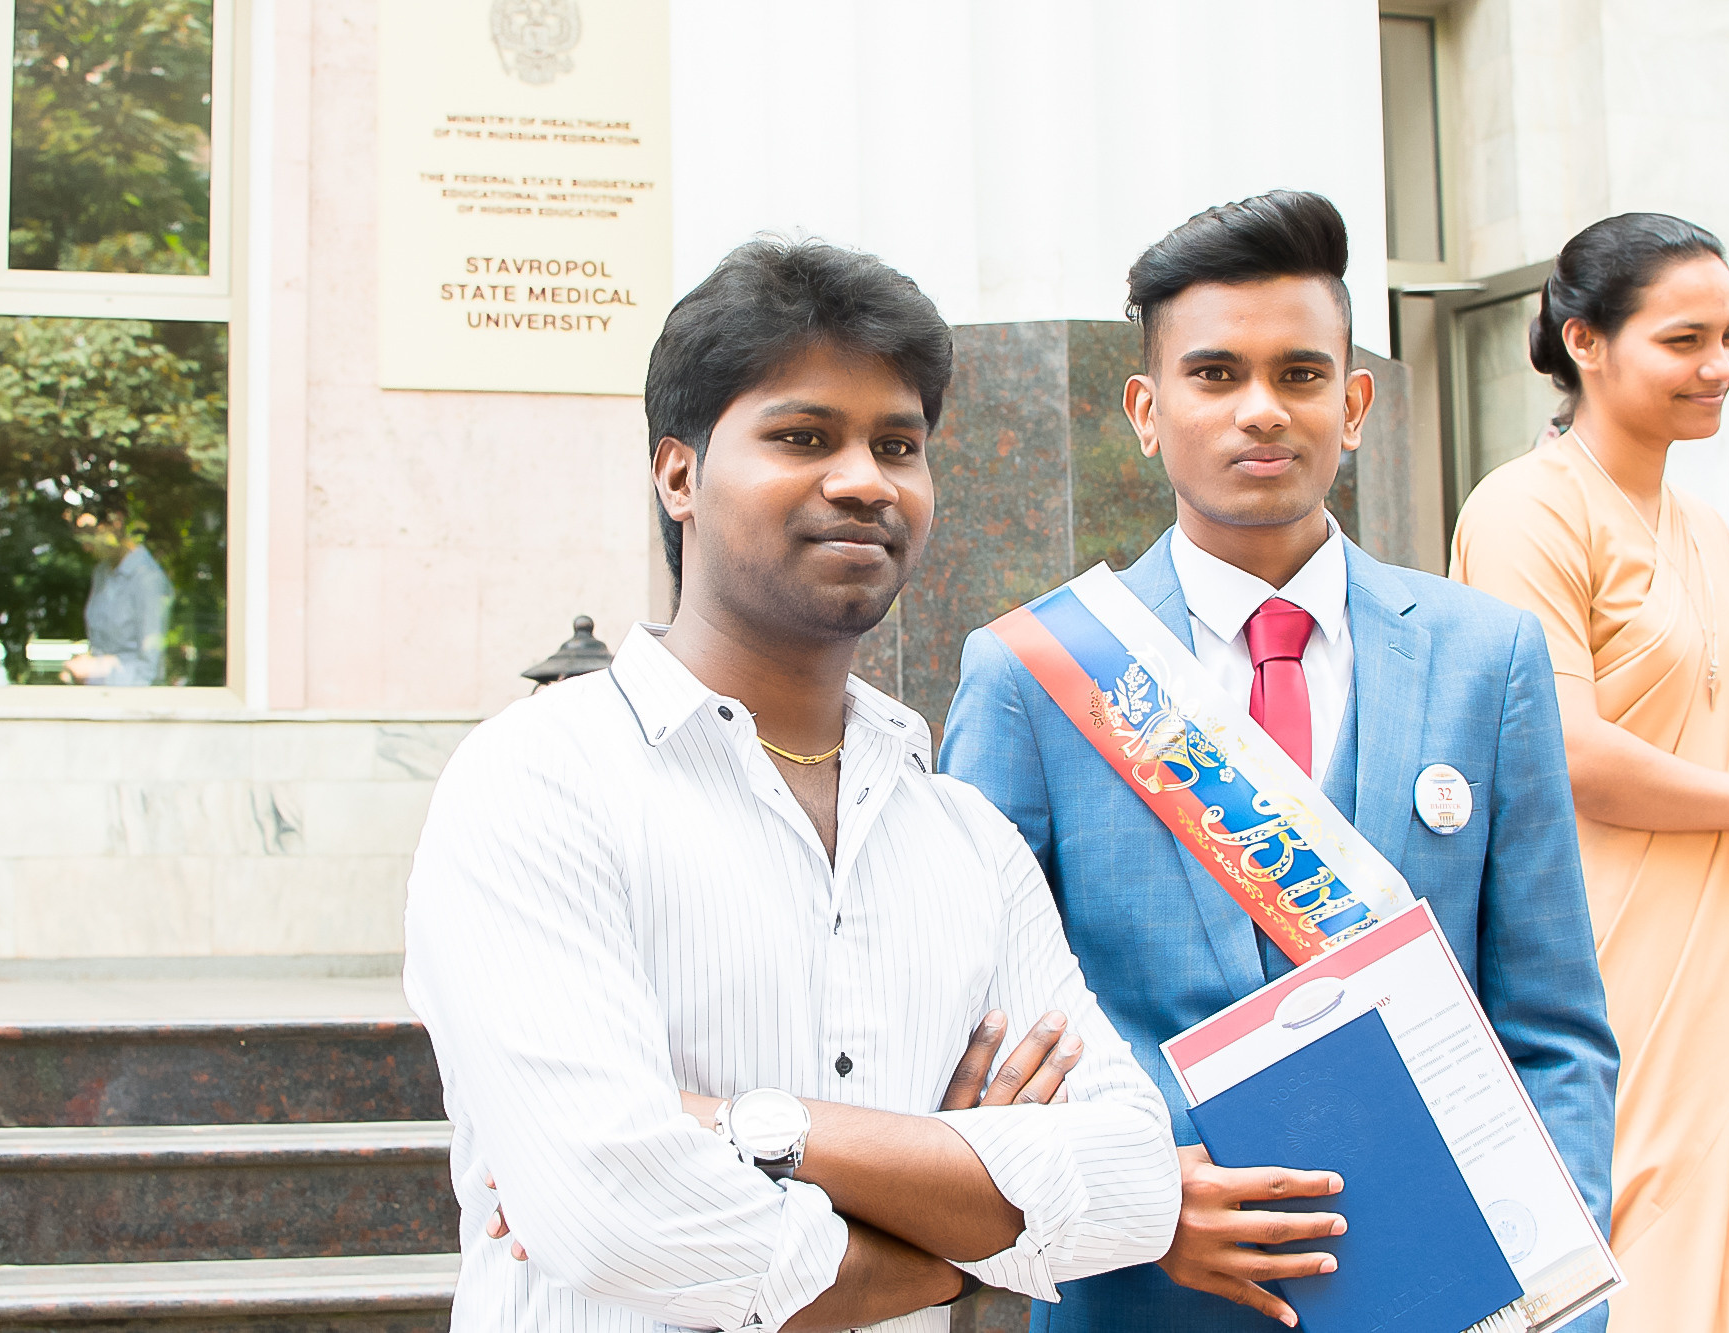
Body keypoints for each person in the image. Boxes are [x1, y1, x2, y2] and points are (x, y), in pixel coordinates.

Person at [402, 237, 1180, 1333]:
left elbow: (1132, 1184)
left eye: (896, 444)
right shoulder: (536, 784)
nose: (863, 480)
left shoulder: (962, 835)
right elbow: (617, 1218)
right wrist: (974, 1238)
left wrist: (744, 1126)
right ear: (677, 474)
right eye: (802, 436)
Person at [942, 190, 1618, 1332]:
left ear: (1352, 406)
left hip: (1449, 1289)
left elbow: (1552, 1027)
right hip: (1147, 1293)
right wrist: (1141, 1200)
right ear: (1145, 412)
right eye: (1213, 376)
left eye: (1299, 375)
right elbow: (977, 1032)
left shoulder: (1482, 658)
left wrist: (1545, 1266)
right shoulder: (1031, 675)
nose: (1261, 410)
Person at [1452, 213, 1729, 1333]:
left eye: (1728, 334)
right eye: (1684, 339)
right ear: (1583, 341)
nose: (1721, 365)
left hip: (1719, 974)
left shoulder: (1708, 521)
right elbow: (1562, 745)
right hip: (1591, 967)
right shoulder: (1523, 509)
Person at [64, 512, 172, 686]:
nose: (86, 547)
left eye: (90, 534)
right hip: (99, 697)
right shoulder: (101, 573)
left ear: (116, 523)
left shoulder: (148, 579)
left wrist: (92, 670)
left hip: (129, 704)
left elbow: (149, 673)